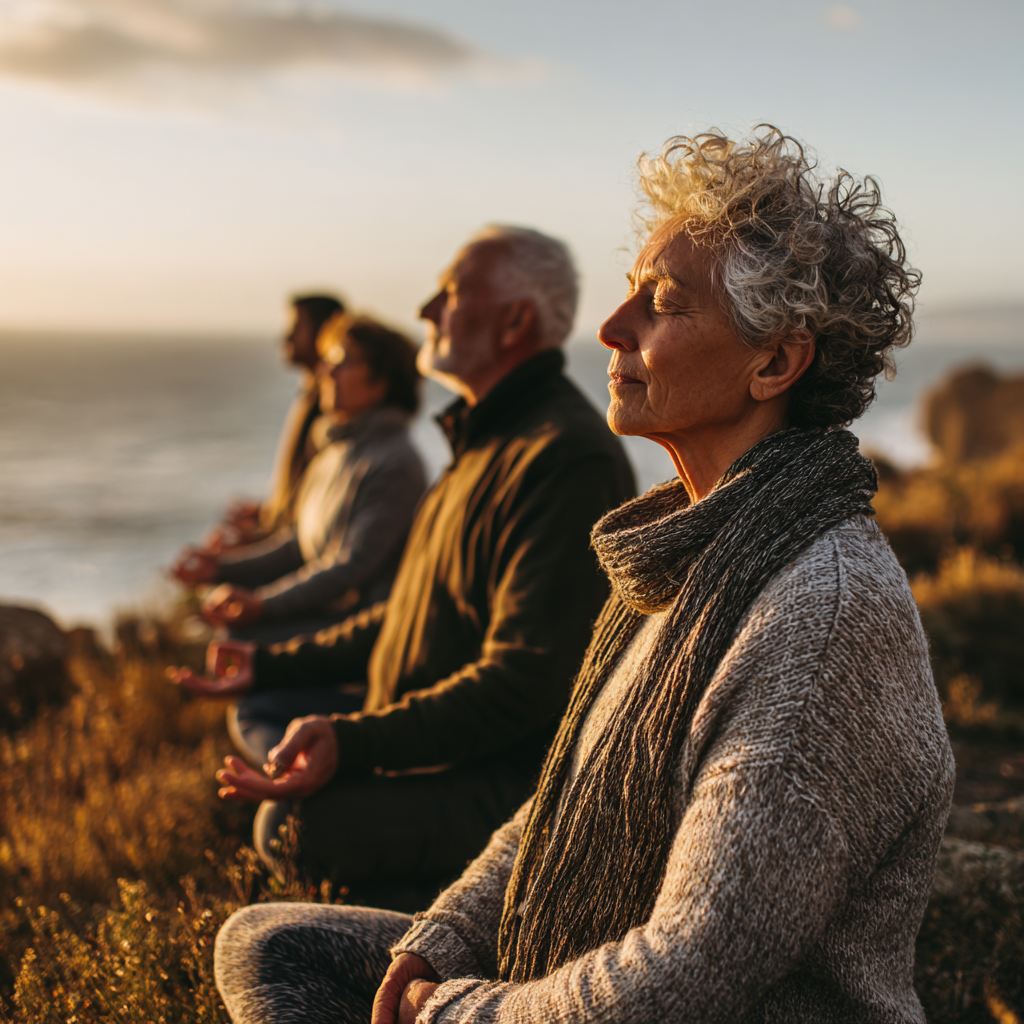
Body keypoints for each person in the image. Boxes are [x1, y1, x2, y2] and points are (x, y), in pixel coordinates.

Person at [212, 128, 955, 1024]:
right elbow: (566, 789)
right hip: (581, 958)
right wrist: (441, 941)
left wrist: (457, 1015)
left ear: (775, 363)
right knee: (268, 943)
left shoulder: (824, 615)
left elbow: (693, 970)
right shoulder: (685, 554)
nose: (611, 327)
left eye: (665, 305)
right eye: (631, 291)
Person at [173, 225, 636, 895]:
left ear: (514, 320)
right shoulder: (481, 443)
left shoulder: (563, 456)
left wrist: (358, 743)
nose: (426, 312)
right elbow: (407, 613)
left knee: (288, 827)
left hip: (500, 788)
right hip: (426, 743)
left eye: (449, 293)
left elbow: (522, 684)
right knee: (269, 723)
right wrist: (268, 660)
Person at [172, 315, 426, 646]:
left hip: (362, 635)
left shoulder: (395, 464)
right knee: (225, 627)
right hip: (327, 613)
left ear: (382, 381)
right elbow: (299, 546)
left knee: (239, 640)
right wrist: (220, 569)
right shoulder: (334, 452)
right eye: (328, 362)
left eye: (342, 362)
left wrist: (264, 606)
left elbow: (351, 567)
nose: (326, 372)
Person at [177, 292, 345, 560]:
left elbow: (317, 501)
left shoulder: (331, 411)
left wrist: (251, 548)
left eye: (295, 328)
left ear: (323, 332)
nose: (285, 338)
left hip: (298, 556)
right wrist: (267, 513)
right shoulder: (311, 397)